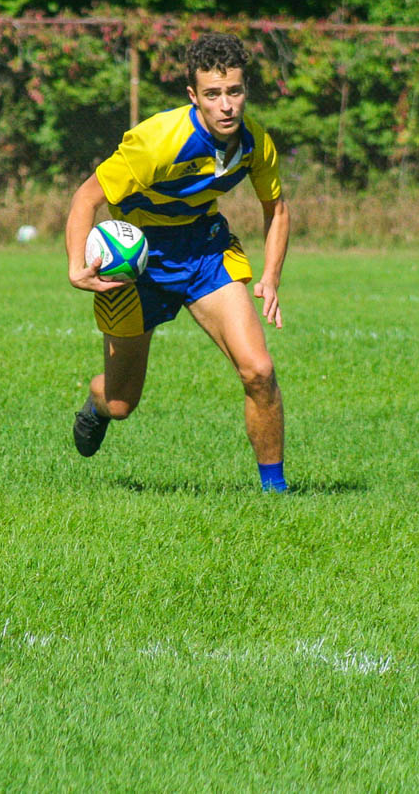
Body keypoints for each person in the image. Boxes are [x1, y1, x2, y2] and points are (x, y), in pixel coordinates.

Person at [65, 32, 292, 492]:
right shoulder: (157, 142)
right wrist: (76, 266)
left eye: (234, 91)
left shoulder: (254, 144)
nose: (226, 105)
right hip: (136, 266)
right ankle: (96, 401)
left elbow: (277, 208)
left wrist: (270, 276)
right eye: (213, 94)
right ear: (194, 96)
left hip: (205, 253)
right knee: (122, 402)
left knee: (260, 371)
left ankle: (276, 492)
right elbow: (85, 198)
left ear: (245, 90)